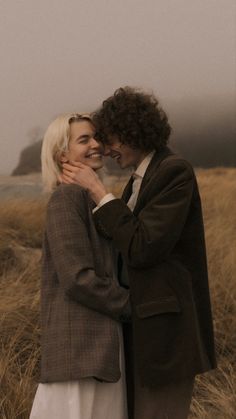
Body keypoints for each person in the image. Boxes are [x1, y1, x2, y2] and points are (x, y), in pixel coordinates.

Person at [61, 87, 217, 419]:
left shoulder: (174, 171)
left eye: (111, 137)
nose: (105, 147)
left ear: (135, 130)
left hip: (166, 338)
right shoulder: (138, 180)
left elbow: (143, 247)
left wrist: (98, 191)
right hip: (141, 334)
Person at [30, 113, 130, 419]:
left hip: (99, 350)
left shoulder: (88, 198)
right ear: (63, 155)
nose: (96, 145)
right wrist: (134, 306)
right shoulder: (66, 198)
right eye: (83, 139)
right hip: (79, 351)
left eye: (95, 137)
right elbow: (77, 278)